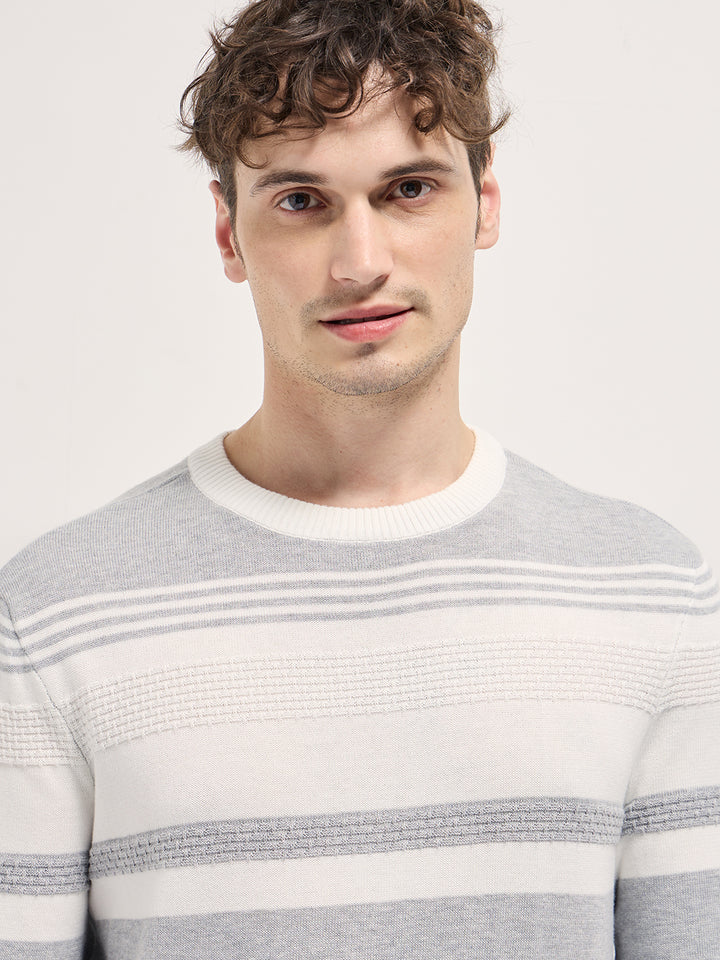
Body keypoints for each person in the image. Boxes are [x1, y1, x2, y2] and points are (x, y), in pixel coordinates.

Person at [1, 0, 718, 956]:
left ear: (485, 204)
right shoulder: (55, 613)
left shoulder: (652, 594)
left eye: (409, 189)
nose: (359, 263)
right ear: (228, 233)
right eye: (301, 201)